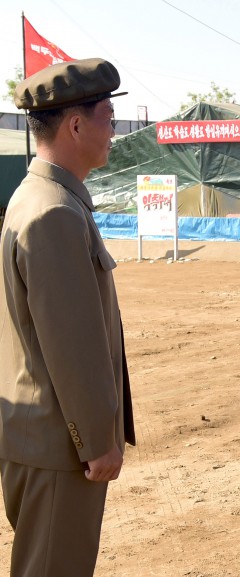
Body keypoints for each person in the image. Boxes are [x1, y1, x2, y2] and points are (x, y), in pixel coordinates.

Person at [1, 58, 136, 577]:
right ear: (76, 125)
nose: (114, 132)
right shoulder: (54, 211)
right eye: (107, 117)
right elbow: (71, 343)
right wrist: (99, 441)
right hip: (61, 445)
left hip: (45, 438)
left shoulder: (40, 197)